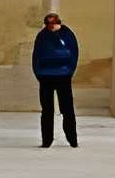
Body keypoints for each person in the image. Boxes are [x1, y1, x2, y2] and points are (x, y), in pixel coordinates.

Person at [32, 12, 82, 147]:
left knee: (67, 109)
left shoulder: (67, 34)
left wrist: (69, 71)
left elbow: (74, 54)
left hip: (63, 76)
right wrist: (39, 74)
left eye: (53, 24)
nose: (51, 27)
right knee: (47, 110)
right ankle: (46, 140)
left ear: (58, 23)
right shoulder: (42, 36)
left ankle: (72, 139)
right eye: (48, 24)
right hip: (45, 76)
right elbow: (36, 55)